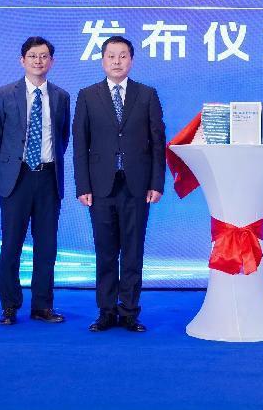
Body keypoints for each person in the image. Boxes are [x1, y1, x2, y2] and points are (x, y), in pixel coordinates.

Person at [73, 35, 166, 333]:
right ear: (103, 60)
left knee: (133, 251)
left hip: (137, 186)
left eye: (122, 56)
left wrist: (157, 183)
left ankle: (129, 311)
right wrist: (82, 185)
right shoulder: (87, 95)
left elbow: (157, 143)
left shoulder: (147, 94)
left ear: (131, 60)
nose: (117, 61)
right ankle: (106, 310)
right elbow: (80, 144)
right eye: (111, 56)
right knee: (105, 252)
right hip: (100, 187)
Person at [0, 36, 70, 325]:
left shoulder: (61, 96)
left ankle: (42, 306)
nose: (38, 61)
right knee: (11, 244)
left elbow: (62, 138)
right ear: (22, 60)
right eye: (33, 56)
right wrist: (10, 168)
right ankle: (9, 306)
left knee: (47, 246)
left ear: (51, 62)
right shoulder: (4, 93)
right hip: (16, 179)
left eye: (44, 56)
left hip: (48, 178)